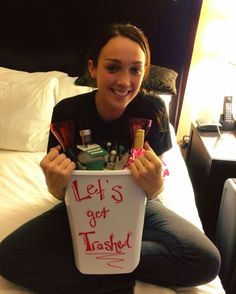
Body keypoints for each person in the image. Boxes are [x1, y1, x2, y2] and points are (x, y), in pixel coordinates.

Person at [0, 23, 220, 294]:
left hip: (139, 204)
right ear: (93, 68)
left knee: (206, 260)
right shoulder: (68, 112)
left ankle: (98, 264)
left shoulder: (153, 111)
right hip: (81, 204)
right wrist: (55, 185)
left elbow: (155, 186)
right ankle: (117, 274)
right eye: (113, 67)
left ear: (144, 72)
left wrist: (156, 186)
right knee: (10, 257)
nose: (124, 82)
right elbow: (60, 191)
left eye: (135, 69)